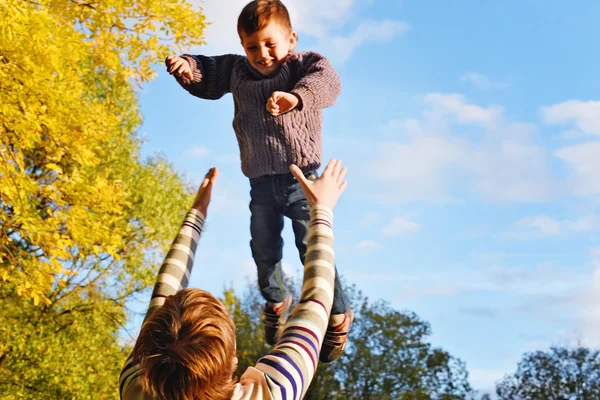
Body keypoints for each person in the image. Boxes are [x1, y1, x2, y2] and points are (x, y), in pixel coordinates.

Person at [164, 0, 352, 361]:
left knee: (311, 246)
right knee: (263, 251)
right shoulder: (237, 71)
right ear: (242, 46)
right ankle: (276, 301)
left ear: (291, 39)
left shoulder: (302, 65)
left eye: (270, 44)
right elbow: (208, 72)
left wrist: (296, 98)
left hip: (302, 180)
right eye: (252, 46)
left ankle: (339, 313)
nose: (262, 54)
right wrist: (187, 67)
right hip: (261, 182)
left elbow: (328, 83)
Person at [119, 159, 348, 400]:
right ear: (234, 358)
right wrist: (321, 208)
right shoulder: (133, 386)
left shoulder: (137, 388)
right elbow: (318, 305)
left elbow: (315, 306)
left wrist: (196, 214)